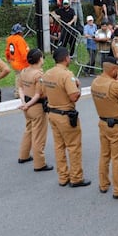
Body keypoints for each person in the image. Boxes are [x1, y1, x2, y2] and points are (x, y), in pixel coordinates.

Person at [41, 47, 91, 188]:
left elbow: (43, 94)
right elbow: (74, 96)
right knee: (73, 147)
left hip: (52, 113)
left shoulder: (47, 73)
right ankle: (76, 178)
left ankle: (63, 177)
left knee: (59, 146)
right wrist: (78, 87)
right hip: (65, 115)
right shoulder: (67, 75)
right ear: (66, 58)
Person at [90, 56, 118, 198]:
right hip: (116, 126)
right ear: (114, 69)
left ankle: (103, 184)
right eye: (117, 69)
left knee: (104, 155)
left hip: (102, 123)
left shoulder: (95, 82)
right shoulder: (115, 85)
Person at [17, 49, 53, 172]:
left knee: (29, 131)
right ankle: (39, 163)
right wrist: (28, 104)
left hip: (27, 106)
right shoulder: (39, 75)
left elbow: (20, 88)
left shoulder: (24, 71)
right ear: (39, 59)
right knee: (39, 136)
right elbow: (38, 94)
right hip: (36, 107)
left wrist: (24, 103)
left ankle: (24, 155)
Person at [5, 23, 30, 99]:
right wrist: (29, 61)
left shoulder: (9, 39)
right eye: (22, 31)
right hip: (21, 63)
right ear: (19, 32)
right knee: (20, 78)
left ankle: (21, 92)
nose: (23, 32)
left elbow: (7, 50)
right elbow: (23, 53)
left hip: (14, 61)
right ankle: (18, 93)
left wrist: (8, 58)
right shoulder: (20, 40)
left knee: (19, 77)